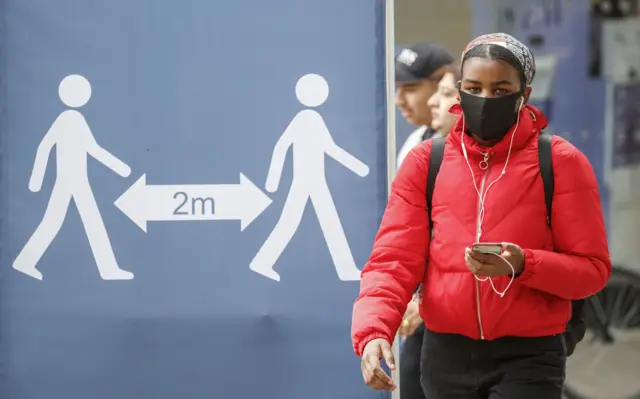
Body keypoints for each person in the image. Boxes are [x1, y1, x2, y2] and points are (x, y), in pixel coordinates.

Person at [353, 33, 612, 399]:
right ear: (459, 90)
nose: (486, 99)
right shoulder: (427, 162)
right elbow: (392, 260)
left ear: (525, 93)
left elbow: (592, 271)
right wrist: (374, 330)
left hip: (530, 357)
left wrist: (524, 264)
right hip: (445, 355)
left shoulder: (560, 162)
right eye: (474, 87)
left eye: (501, 88)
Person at [393, 42, 454, 399]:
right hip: (421, 301)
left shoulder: (468, 155)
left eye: (411, 88)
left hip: (448, 305)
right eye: (398, 89)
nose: (402, 100)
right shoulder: (418, 142)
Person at [395, 42, 454, 168]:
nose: (399, 100)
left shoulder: (470, 146)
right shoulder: (415, 139)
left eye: (410, 89)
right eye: (398, 88)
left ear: (443, 83)